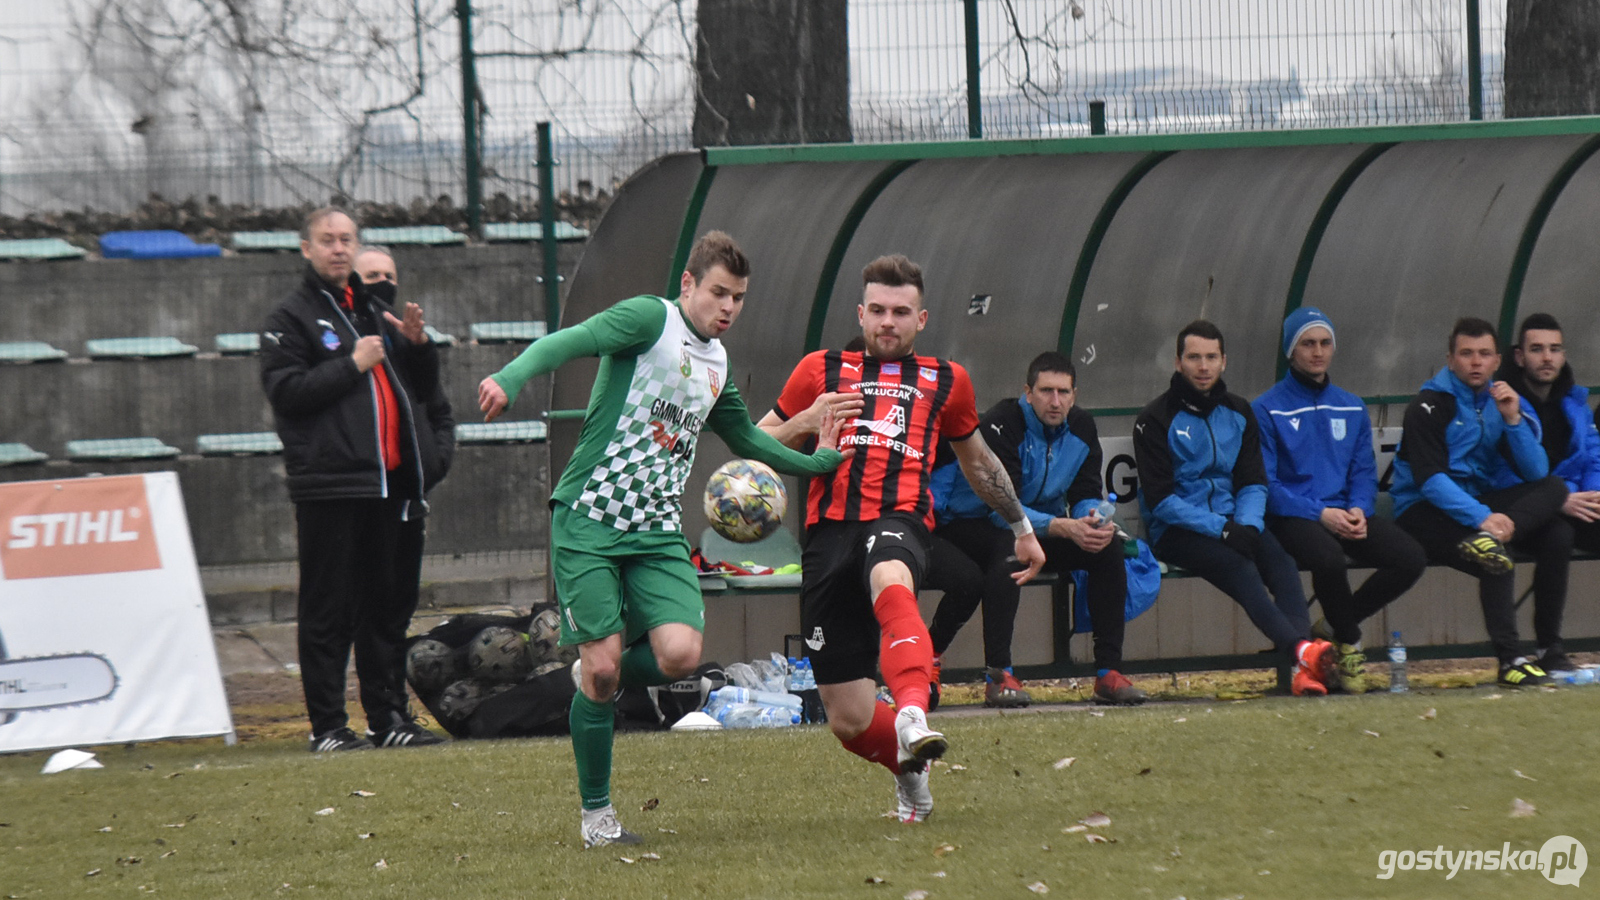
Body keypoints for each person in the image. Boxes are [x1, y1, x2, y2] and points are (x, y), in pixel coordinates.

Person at [477, 231, 847, 849]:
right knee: (602, 671)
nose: (727, 307)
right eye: (718, 293)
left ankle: (596, 677)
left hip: (655, 533)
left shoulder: (718, 363)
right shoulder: (650, 319)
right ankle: (598, 815)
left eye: (739, 298)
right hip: (591, 523)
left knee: (680, 656)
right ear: (688, 285)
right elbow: (567, 342)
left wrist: (820, 462)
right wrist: (510, 377)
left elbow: (748, 442)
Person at [758, 254, 1045, 824]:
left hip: (900, 518)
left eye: (901, 312)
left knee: (892, 574)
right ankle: (909, 763)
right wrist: (807, 421)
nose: (889, 322)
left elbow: (979, 463)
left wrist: (1022, 528)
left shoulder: (947, 380)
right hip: (826, 537)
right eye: (879, 311)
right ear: (861, 313)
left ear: (922, 319)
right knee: (849, 717)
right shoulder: (819, 369)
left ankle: (913, 711)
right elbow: (759, 440)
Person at [260, 208, 453, 753]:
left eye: (346, 239)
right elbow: (287, 392)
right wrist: (352, 363)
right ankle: (328, 727)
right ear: (306, 248)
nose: (339, 248)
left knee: (387, 606)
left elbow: (420, 391)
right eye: (328, 240)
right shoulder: (289, 317)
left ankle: (388, 717)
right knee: (329, 609)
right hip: (333, 485)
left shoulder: (371, 310)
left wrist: (416, 347)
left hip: (390, 486)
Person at [929, 351, 1149, 707]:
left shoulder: (1082, 427)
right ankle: (999, 676)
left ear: (1075, 395)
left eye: (1064, 392)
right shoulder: (1003, 423)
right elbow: (1002, 509)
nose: (1055, 401)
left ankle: (1108, 673)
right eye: (1046, 391)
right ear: (1027, 392)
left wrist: (1090, 518)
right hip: (975, 524)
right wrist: (1062, 526)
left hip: (1038, 529)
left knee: (1106, 549)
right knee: (1009, 551)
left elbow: (1083, 492)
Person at [1134, 320, 1336, 696]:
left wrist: (1245, 525)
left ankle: (1303, 668)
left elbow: (1253, 482)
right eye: (1194, 357)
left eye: (1211, 357)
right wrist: (1223, 530)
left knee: (1281, 563)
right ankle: (1303, 651)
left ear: (1224, 361)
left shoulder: (1240, 412)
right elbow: (1162, 503)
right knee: (1240, 566)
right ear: (1178, 363)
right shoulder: (1153, 420)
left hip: (1235, 523)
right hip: (1177, 532)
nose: (1203, 366)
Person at [1252, 309, 1426, 692]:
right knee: (1327, 557)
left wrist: (1359, 510)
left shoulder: (1350, 405)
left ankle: (1330, 626)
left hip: (1344, 513)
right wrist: (1320, 513)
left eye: (1325, 343)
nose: (1317, 352)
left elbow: (1363, 472)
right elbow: (1267, 485)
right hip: (1293, 516)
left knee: (1411, 557)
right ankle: (1349, 642)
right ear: (1290, 350)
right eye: (1307, 343)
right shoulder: (1266, 408)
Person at [1391, 317, 1570, 687]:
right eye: (1467, 354)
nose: (1476, 362)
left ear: (1497, 361)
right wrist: (1484, 519)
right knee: (1494, 557)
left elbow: (1536, 471)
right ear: (1450, 359)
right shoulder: (1428, 405)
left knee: (1557, 503)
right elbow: (1431, 482)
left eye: (1484, 354)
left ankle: (1552, 648)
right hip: (1422, 512)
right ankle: (1511, 661)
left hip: (1477, 506)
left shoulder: (1498, 401)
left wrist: (1514, 419)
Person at [354, 245, 456, 499]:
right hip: (359, 482)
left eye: (389, 277)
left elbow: (435, 405)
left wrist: (436, 460)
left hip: (408, 483)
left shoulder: (404, 334)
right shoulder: (345, 335)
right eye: (372, 276)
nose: (383, 283)